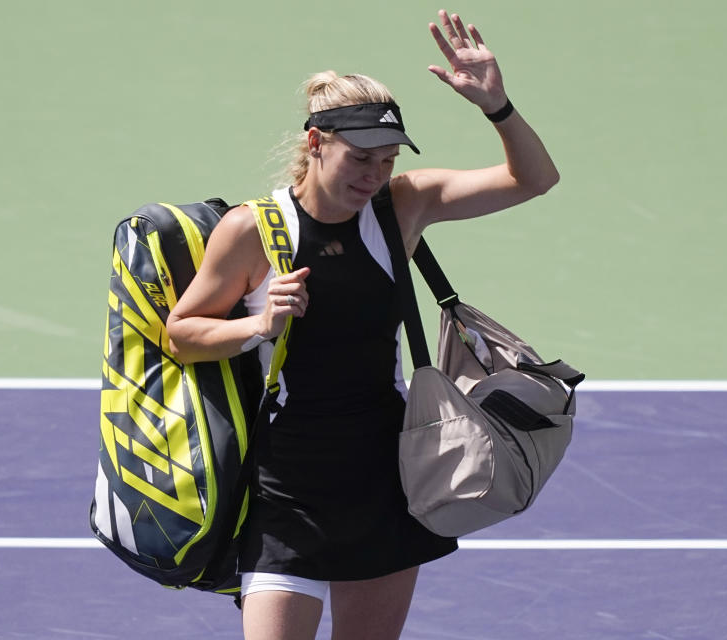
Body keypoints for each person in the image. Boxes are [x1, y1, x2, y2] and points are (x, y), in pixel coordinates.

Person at [166, 9, 559, 640]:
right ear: (317, 143)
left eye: (387, 159)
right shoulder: (252, 231)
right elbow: (180, 334)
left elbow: (533, 180)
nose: (375, 175)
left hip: (384, 476)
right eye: (362, 158)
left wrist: (498, 106)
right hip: (284, 485)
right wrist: (258, 324)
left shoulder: (404, 207)